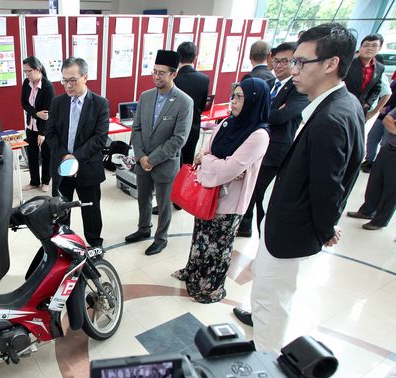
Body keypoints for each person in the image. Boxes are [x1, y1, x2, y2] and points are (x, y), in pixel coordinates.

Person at [236, 24, 364, 353]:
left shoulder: (331, 119)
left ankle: (266, 363)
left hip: (290, 230)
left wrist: (326, 228)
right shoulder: (343, 104)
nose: (293, 70)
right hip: (284, 220)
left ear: (331, 64)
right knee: (266, 293)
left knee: (271, 302)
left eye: (301, 62)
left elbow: (328, 186)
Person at [171, 78, 270, 303]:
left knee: (218, 246)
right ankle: (193, 273)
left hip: (230, 201)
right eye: (233, 96)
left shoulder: (258, 135)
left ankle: (211, 288)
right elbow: (205, 153)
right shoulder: (227, 123)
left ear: (254, 101)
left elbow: (227, 169)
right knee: (201, 237)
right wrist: (216, 163)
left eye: (239, 98)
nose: (233, 101)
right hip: (208, 193)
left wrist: (211, 162)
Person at [237, 42, 309, 238]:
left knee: (263, 197)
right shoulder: (268, 83)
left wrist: (259, 111)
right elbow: (249, 110)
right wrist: (267, 111)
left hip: (274, 152)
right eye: (276, 61)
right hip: (253, 147)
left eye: (285, 61)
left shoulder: (299, 89)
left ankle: (265, 239)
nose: (279, 65)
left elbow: (280, 117)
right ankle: (244, 225)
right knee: (248, 190)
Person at [124, 49, 193, 256]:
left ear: (174, 74)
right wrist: (141, 156)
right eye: (154, 72)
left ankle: (161, 239)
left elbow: (179, 139)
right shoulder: (146, 97)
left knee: (164, 205)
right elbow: (136, 129)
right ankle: (143, 228)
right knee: (143, 199)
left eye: (161, 73)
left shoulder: (184, 102)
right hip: (143, 160)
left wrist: (152, 159)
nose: (156, 76)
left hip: (165, 163)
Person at [45, 57, 109, 251]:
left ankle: (95, 244)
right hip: (61, 167)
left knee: (91, 209)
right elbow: (50, 134)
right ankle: (64, 245)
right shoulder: (58, 102)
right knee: (61, 210)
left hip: (87, 167)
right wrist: (66, 157)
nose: (68, 85)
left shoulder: (99, 104)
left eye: (72, 80)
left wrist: (75, 159)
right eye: (64, 80)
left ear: (85, 77)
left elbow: (99, 138)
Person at [346, 108, 396, 230]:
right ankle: (367, 211)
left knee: (391, 189)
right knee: (375, 180)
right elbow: (387, 119)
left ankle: (380, 221)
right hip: (388, 147)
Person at [21, 56, 55, 193]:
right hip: (30, 126)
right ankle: (34, 181)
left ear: (37, 69)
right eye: (25, 71)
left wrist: (42, 133)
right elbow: (24, 103)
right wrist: (35, 113)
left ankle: (46, 181)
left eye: (28, 71)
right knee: (32, 154)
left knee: (46, 155)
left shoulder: (47, 87)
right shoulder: (26, 83)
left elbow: (46, 114)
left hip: (44, 128)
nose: (26, 74)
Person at [173, 42, 210, 166]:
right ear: (195, 58)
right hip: (193, 128)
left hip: (174, 129)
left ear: (178, 57)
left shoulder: (173, 79)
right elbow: (203, 105)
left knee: (172, 163)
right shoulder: (204, 79)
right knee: (187, 164)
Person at [344, 33, 385, 119]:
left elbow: (376, 88)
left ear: (380, 48)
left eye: (374, 45)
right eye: (366, 45)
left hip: (360, 108)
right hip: (342, 104)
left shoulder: (380, 68)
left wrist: (367, 104)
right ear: (360, 47)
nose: (369, 48)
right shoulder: (348, 63)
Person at [361, 73, 396, 173]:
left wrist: (388, 108)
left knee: (385, 142)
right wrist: (380, 107)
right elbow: (384, 93)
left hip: (391, 116)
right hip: (382, 115)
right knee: (372, 136)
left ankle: (380, 164)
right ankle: (369, 161)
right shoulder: (394, 81)